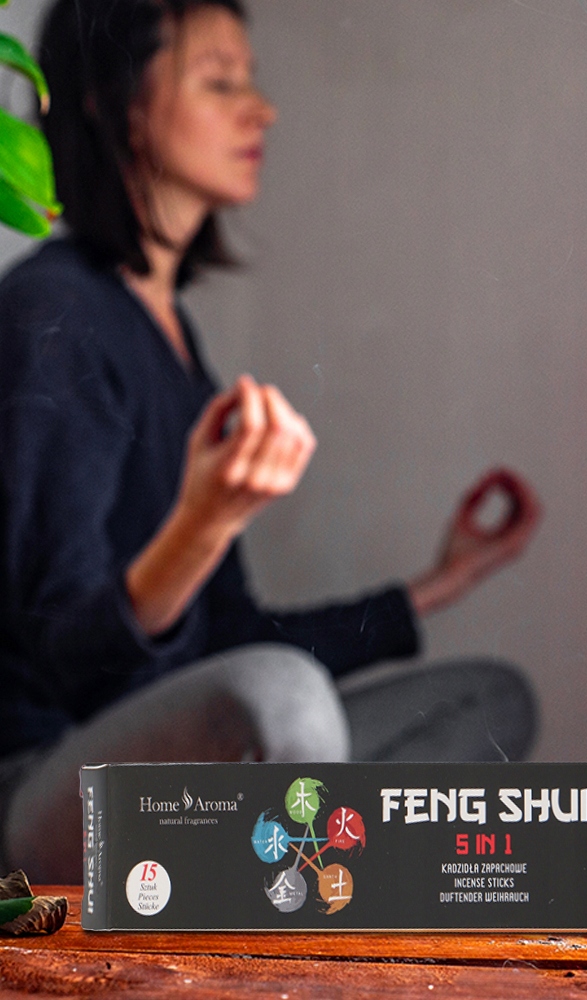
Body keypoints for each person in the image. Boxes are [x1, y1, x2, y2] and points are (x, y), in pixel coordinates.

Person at [0, 0, 542, 883]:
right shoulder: (52, 310)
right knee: (280, 699)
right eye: (220, 82)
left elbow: (231, 634)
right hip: (43, 785)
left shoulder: (172, 337)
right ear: (113, 101)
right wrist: (202, 525)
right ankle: (302, 888)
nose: (262, 109)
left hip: (183, 757)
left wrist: (441, 582)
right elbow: (69, 659)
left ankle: (284, 875)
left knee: (488, 702)